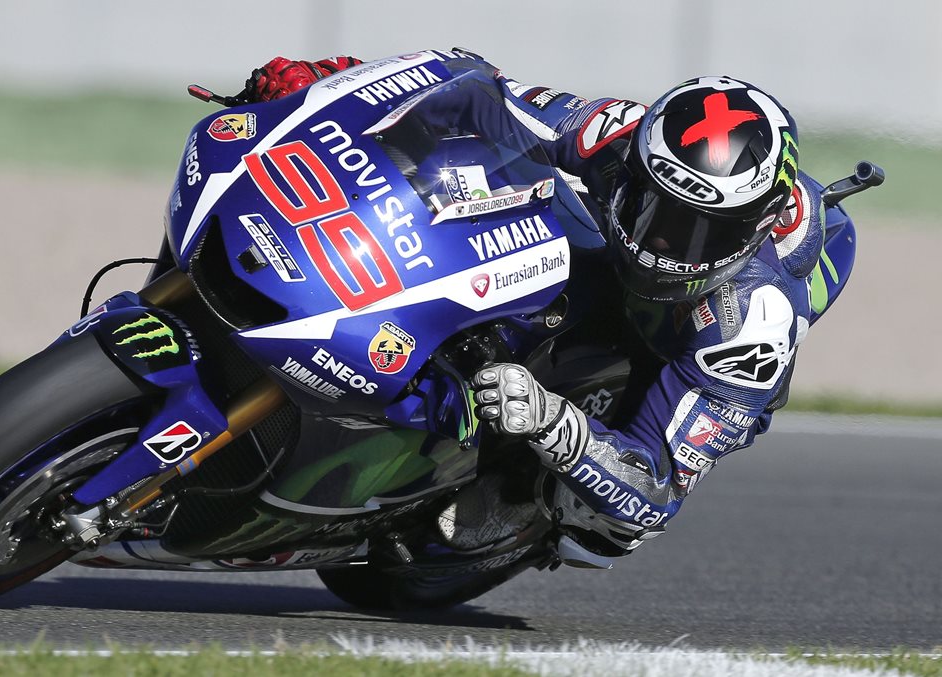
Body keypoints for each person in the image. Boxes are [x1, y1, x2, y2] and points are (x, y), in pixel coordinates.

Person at [236, 52, 839, 566]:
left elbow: (655, 492)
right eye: (650, 205)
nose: (659, 241)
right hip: (603, 254)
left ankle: (527, 503)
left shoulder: (751, 324)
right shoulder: (617, 134)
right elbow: (476, 94)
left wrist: (555, 425)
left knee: (609, 526)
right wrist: (330, 82)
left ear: (755, 227)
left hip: (688, 339)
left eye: (696, 233)